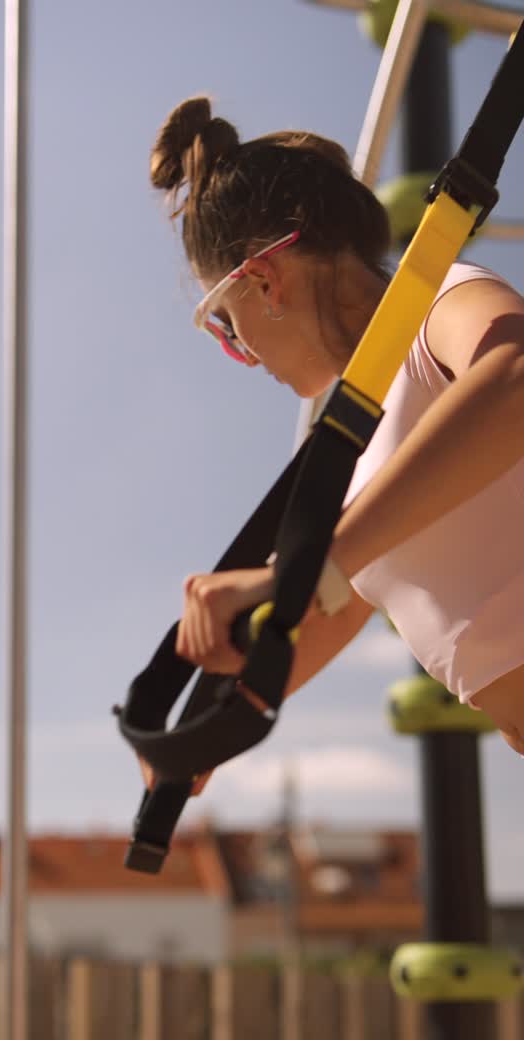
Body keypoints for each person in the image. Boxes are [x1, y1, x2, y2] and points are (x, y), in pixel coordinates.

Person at [145, 95, 524, 776]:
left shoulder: (442, 300)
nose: (244, 356)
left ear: (264, 280)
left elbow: (517, 377)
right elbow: (340, 604)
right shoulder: (352, 442)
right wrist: (211, 735)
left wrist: (302, 567)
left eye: (226, 327)